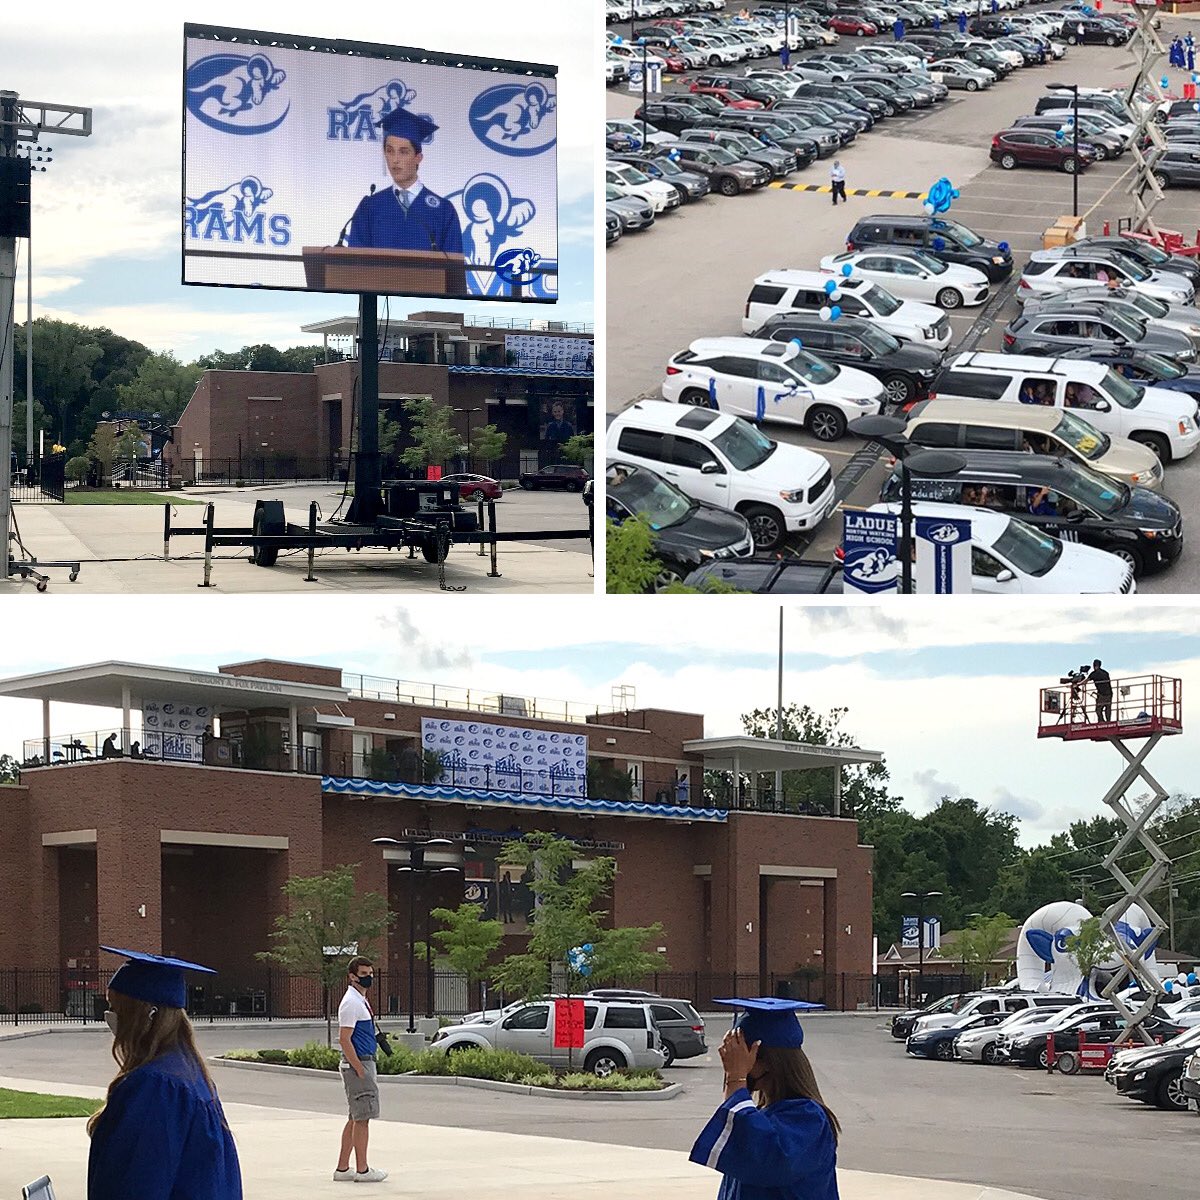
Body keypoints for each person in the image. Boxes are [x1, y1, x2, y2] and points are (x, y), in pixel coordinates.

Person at [88, 946, 242, 1200]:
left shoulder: (156, 1086)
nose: (110, 1018)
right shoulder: (189, 1073)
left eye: (116, 1008)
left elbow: (135, 1187)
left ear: (146, 1016)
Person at [690, 998, 840, 1200]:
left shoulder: (809, 1119)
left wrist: (737, 1079)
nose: (732, 1062)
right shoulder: (762, 1113)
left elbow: (767, 1162)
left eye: (741, 1054)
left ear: (768, 1060)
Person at [347, 108, 464, 255]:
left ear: (418, 157)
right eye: (390, 151)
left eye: (403, 151)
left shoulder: (443, 211)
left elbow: (453, 271)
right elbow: (354, 266)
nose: (395, 160)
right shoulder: (369, 207)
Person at [335, 956, 387, 1183]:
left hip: (364, 1061)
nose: (369, 978)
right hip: (360, 1062)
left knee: (355, 1117)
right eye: (364, 974)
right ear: (352, 976)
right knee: (363, 1117)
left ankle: (343, 1168)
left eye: (371, 974)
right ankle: (363, 1170)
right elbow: (344, 1039)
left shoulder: (359, 1001)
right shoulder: (351, 1003)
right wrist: (358, 1067)